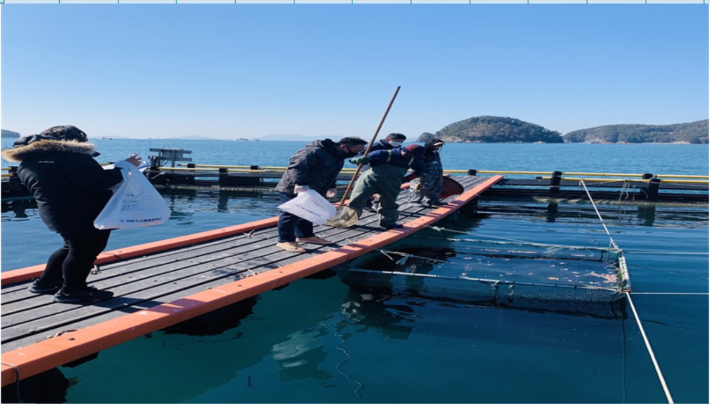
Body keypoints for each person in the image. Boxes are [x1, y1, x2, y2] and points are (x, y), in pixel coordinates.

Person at [1, 125, 142, 303]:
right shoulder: (73, 157)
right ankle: (72, 291)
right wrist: (125, 167)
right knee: (84, 250)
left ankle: (47, 282)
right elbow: (97, 182)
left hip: (54, 212)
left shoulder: (29, 159)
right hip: (82, 212)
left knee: (71, 246)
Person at [275, 137, 367, 252]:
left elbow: (330, 173)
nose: (357, 154)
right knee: (290, 214)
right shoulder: (314, 151)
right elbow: (297, 167)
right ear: (344, 147)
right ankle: (285, 240)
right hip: (293, 188)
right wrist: (301, 184)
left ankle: (305, 235)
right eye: (355, 151)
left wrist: (332, 186)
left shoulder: (338, 157)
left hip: (314, 189)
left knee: (307, 211)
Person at [346, 145, 425, 229]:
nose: (410, 156)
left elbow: (420, 170)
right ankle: (347, 220)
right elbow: (355, 158)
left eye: (413, 156)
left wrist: (406, 179)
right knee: (357, 199)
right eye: (409, 154)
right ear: (404, 150)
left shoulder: (413, 159)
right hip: (370, 180)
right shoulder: (383, 154)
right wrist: (358, 160)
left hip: (392, 184)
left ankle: (388, 222)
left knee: (389, 203)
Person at [356, 133, 407, 212]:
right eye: (397, 141)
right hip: (371, 170)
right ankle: (366, 205)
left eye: (401, 141)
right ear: (388, 140)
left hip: (387, 172)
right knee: (367, 189)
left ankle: (378, 204)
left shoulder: (398, 148)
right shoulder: (373, 147)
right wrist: (364, 165)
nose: (399, 143)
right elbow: (359, 156)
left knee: (383, 190)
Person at [410, 138, 446, 206]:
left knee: (436, 186)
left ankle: (433, 200)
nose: (438, 147)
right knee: (420, 187)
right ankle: (414, 201)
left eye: (440, 146)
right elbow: (416, 165)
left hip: (436, 175)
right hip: (424, 175)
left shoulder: (436, 154)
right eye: (436, 145)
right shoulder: (423, 154)